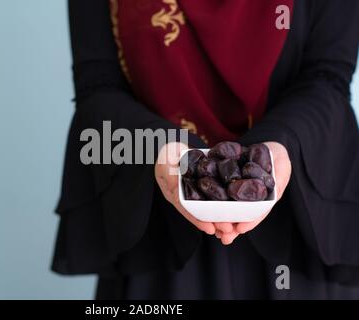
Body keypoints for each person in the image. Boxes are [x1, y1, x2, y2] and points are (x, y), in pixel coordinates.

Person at [52, 0, 359, 299]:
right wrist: (159, 146)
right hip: (157, 233)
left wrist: (279, 146)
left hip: (292, 234)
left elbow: (327, 76)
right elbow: (97, 85)